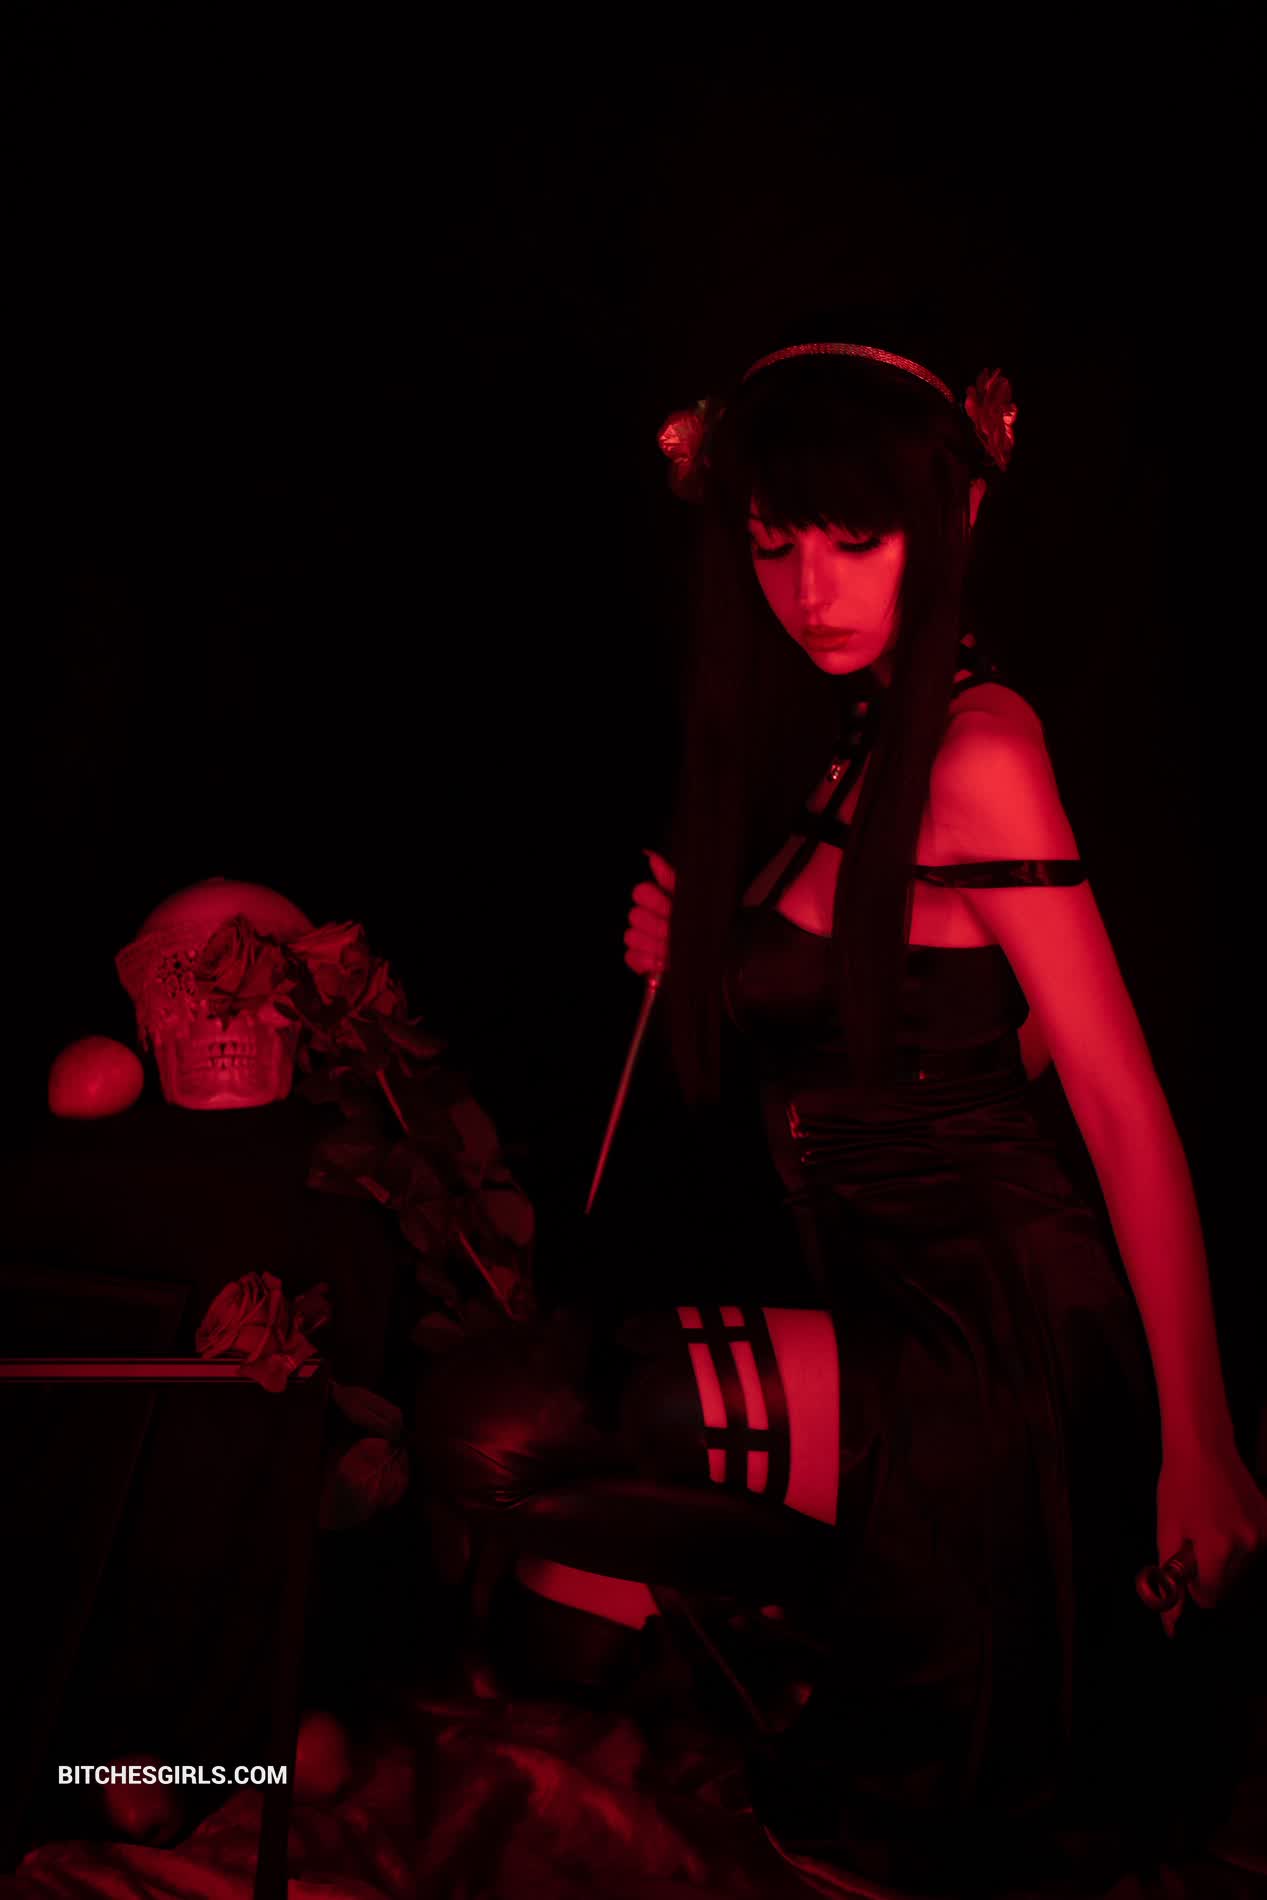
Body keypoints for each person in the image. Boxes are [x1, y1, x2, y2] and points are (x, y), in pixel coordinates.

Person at [416, 308, 1267, 1896]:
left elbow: (1118, 1099)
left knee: (519, 1427)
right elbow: (974, 1031)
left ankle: (873, 1606)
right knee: (538, 1566)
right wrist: (706, 957)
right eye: (773, 544)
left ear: (955, 522)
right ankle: (843, 1610)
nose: (809, 590)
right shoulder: (868, 739)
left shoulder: (980, 752)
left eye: (855, 542)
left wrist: (1199, 1445)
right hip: (891, 1303)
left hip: (993, 1350)